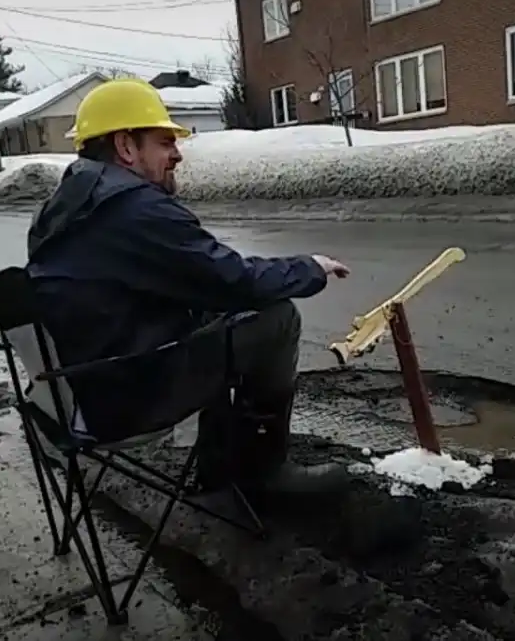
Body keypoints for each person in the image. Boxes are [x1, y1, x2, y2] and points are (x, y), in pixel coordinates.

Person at [27, 77, 351, 497]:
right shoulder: (132, 209)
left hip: (75, 394)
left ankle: (218, 469)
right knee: (277, 318)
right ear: (126, 146)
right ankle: (264, 474)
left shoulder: (60, 209)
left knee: (210, 315)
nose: (177, 154)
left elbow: (196, 280)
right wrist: (310, 268)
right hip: (125, 402)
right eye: (165, 142)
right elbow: (232, 279)